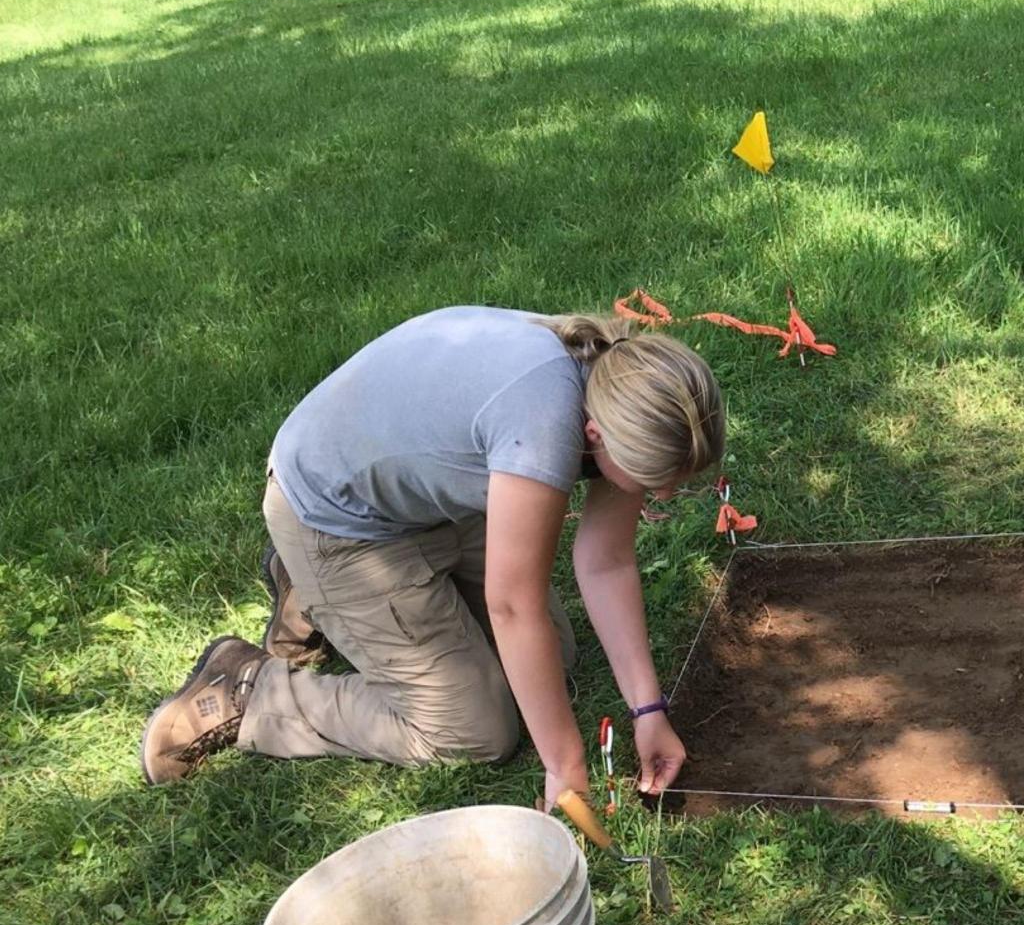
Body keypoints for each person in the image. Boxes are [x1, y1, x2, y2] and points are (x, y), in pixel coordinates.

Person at [140, 305, 723, 811]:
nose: (664, 494)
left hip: (426, 499)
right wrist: (566, 768)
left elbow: (606, 563)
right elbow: (513, 606)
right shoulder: (542, 430)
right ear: (594, 435)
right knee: (476, 728)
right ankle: (249, 691)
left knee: (553, 661)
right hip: (337, 521)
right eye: (653, 479)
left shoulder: (615, 387)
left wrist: (648, 709)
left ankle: (317, 596)